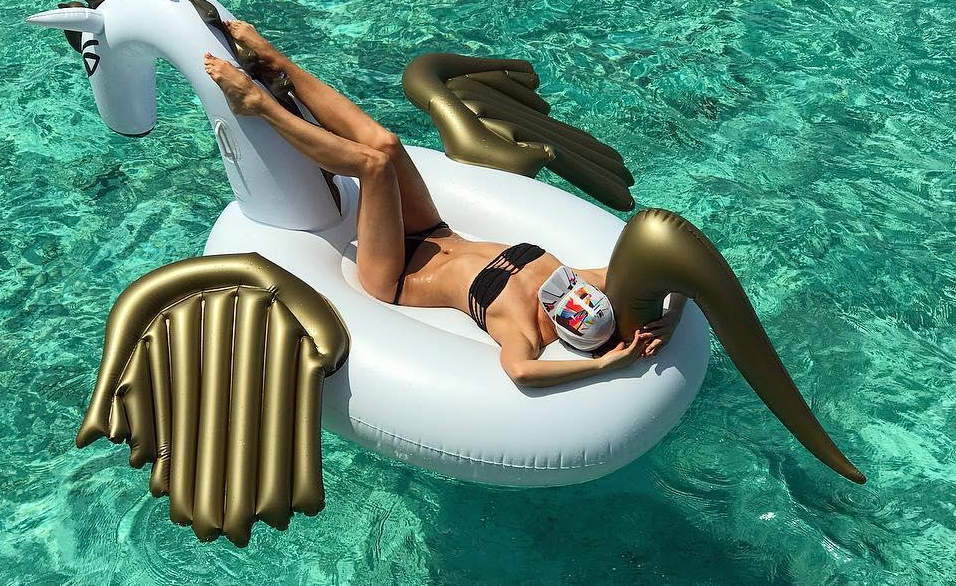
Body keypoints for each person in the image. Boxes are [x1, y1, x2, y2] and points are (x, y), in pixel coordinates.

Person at [204, 20, 687, 389]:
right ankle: (277, 61)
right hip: (434, 232)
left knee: (373, 166)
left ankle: (258, 105)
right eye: (577, 294)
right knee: (388, 145)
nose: (566, 294)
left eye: (565, 309)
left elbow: (521, 372)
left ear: (564, 331)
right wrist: (673, 317)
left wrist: (606, 365)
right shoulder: (585, 279)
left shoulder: (524, 331)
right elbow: (675, 272)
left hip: (395, 275)